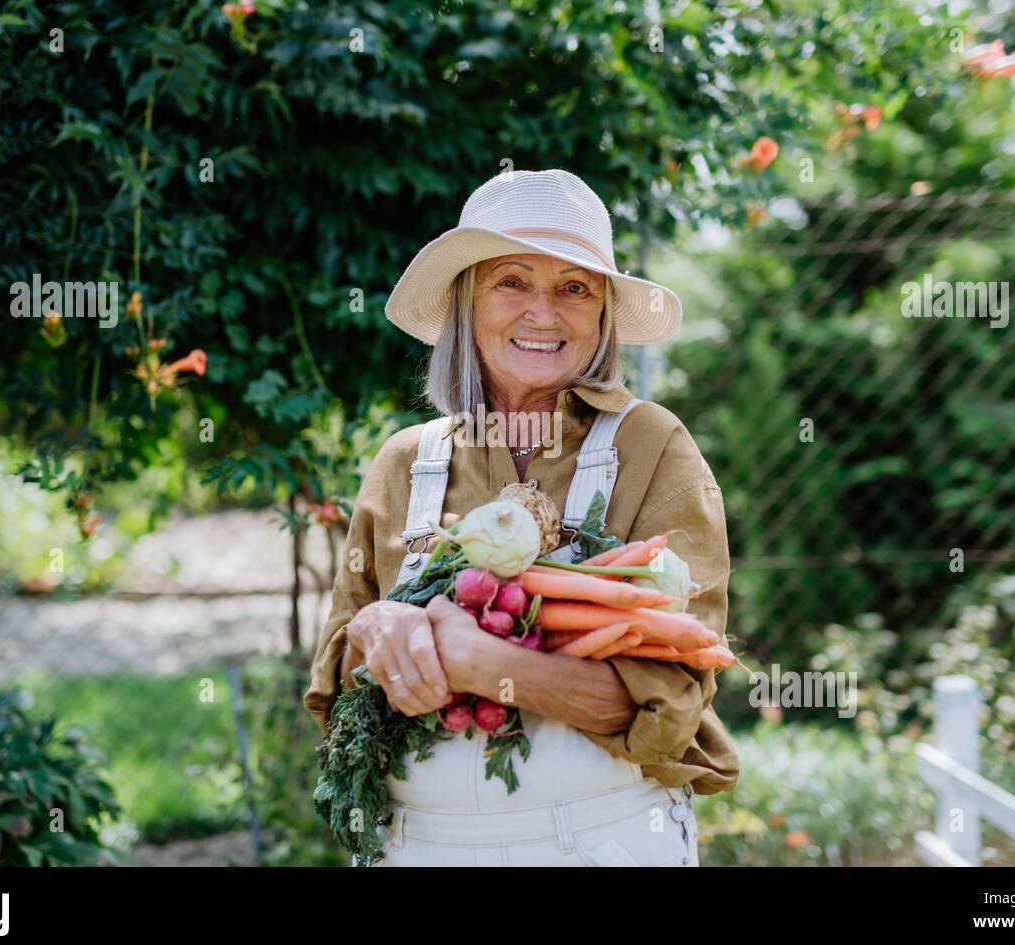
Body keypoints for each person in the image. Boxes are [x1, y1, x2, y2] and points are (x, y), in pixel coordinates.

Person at [305, 169, 739, 866]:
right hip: (417, 848)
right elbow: (340, 699)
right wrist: (374, 627)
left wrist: (480, 661)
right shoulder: (404, 464)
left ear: (600, 314)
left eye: (575, 287)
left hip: (599, 843)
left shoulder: (652, 448)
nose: (543, 312)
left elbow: (663, 705)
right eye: (511, 281)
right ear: (466, 300)